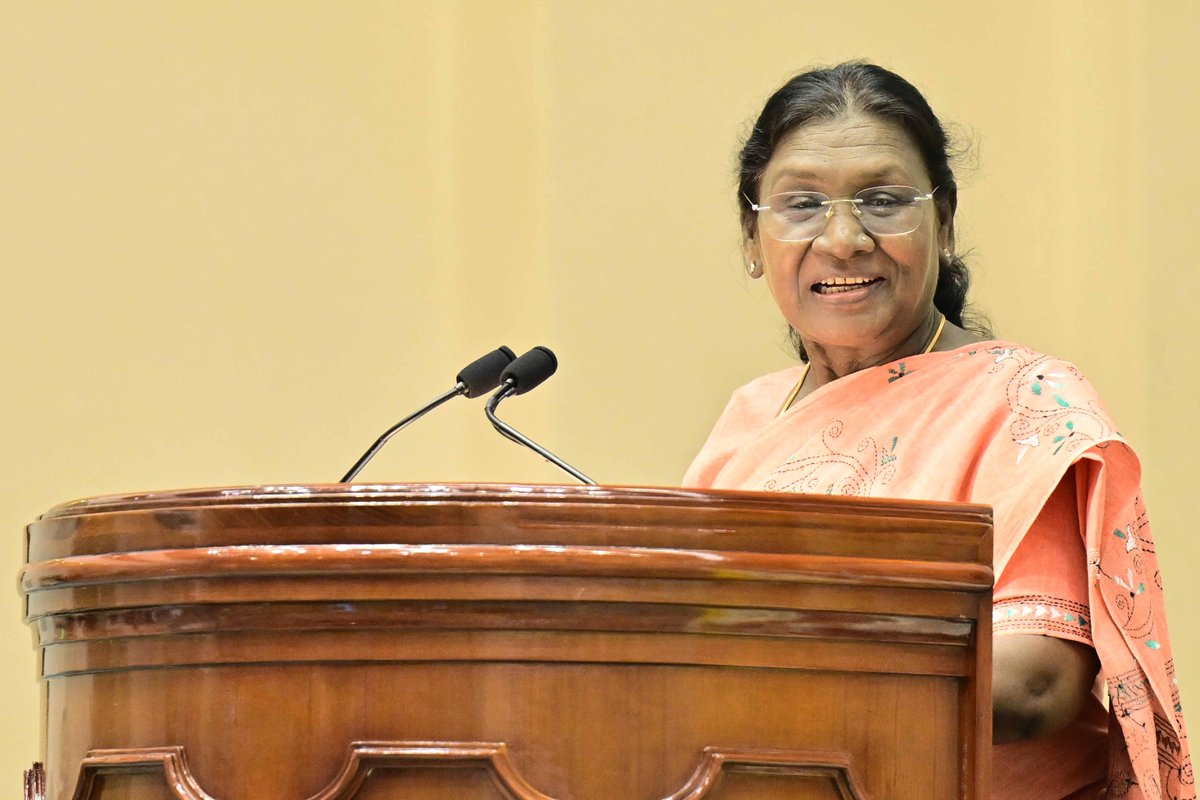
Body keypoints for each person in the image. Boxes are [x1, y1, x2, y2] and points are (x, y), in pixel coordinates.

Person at [684, 61, 1193, 800]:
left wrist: (767, 678)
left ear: (944, 221)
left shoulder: (1024, 404)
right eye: (801, 205)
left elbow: (1033, 686)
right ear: (751, 239)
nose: (844, 237)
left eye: (884, 200)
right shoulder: (749, 418)